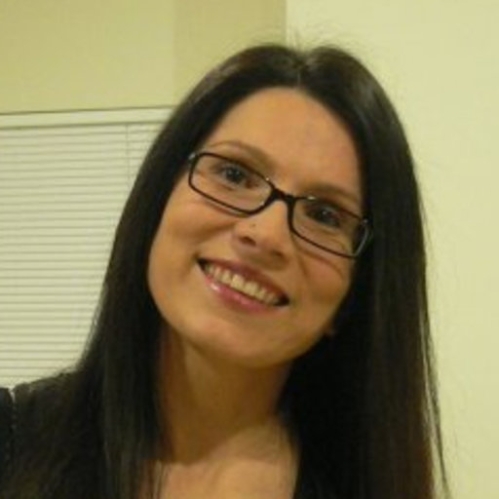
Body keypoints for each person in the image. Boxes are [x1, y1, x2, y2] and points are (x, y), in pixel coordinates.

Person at [0, 43, 449, 499]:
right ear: (158, 200)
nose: (266, 233)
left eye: (326, 215)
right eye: (234, 175)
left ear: (358, 291)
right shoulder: (12, 442)